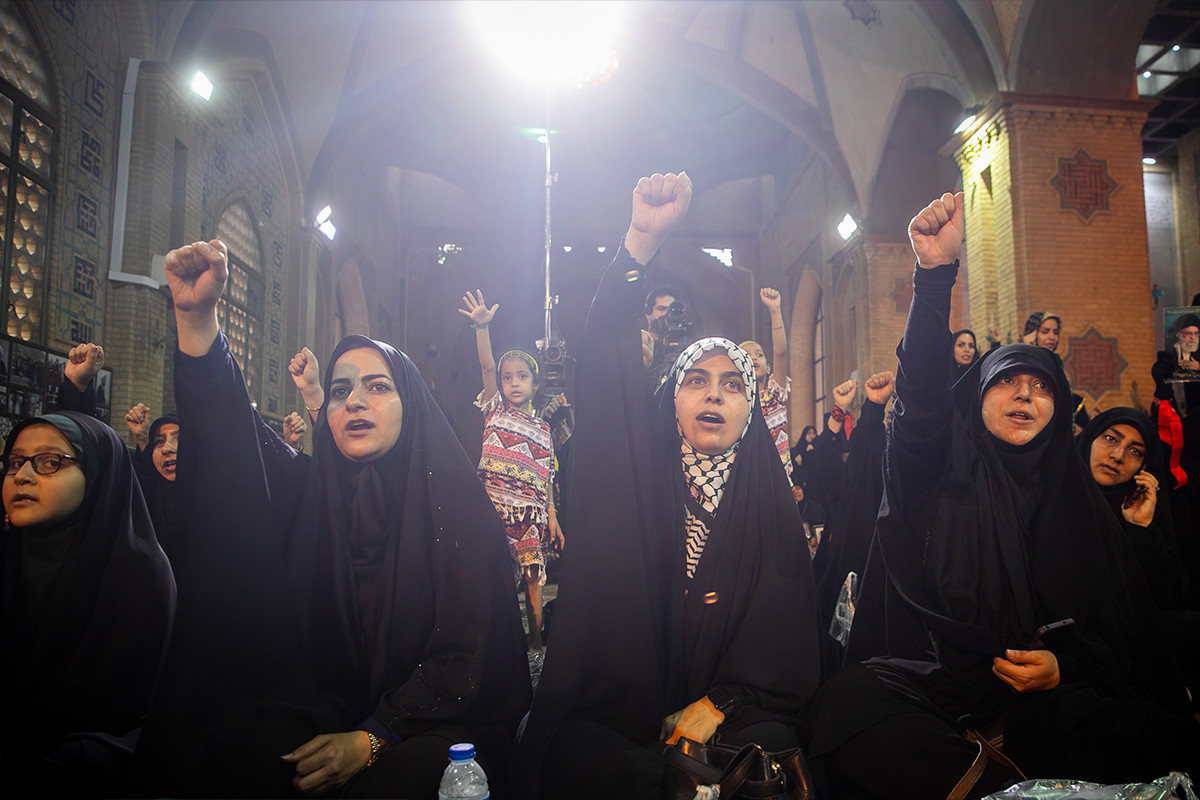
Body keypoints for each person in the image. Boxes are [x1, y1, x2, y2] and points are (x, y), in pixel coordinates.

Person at [807, 192, 1200, 799]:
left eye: (1041, 387)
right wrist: (935, 276)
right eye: (1008, 381)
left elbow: (1116, 628)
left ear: (1057, 410)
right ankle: (993, 784)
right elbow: (921, 404)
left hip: (1048, 703)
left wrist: (1064, 666)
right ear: (979, 397)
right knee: (844, 705)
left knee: (1164, 740)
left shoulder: (1077, 505)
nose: (1024, 394)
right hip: (940, 688)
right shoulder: (939, 473)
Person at [133, 239, 531, 799]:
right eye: (341, 390)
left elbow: (472, 656)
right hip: (324, 710)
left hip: (434, 720)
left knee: (411, 778)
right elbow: (238, 445)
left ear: (411, 405)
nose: (354, 402)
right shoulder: (311, 494)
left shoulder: (457, 510)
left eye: (378, 386)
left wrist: (374, 736)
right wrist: (198, 324)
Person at [515, 172, 820, 799]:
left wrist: (719, 702)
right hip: (633, 706)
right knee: (574, 756)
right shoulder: (639, 477)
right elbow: (604, 362)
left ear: (751, 407)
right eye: (696, 381)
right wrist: (638, 245)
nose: (714, 394)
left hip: (735, 714)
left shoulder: (766, 500)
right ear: (672, 400)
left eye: (732, 384)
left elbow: (785, 641)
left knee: (769, 751)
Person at [1, 412, 175, 796]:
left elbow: (140, 717)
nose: (22, 476)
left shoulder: (137, 576)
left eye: (50, 462)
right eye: (14, 463)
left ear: (97, 476)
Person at [458, 289, 564, 651]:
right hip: (492, 509)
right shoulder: (495, 410)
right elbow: (487, 366)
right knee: (492, 574)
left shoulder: (543, 428)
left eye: (521, 377)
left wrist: (551, 515)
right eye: (507, 378)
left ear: (535, 383)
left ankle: (534, 640)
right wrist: (482, 328)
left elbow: (547, 476)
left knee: (534, 575)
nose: (513, 383)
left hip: (530, 514)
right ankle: (492, 638)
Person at [741, 287, 792, 477]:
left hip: (776, 474)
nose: (754, 358)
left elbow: (781, 352)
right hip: (747, 475)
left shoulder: (774, 395)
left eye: (759, 355)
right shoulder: (736, 403)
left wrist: (775, 310)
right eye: (746, 356)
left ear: (769, 367)